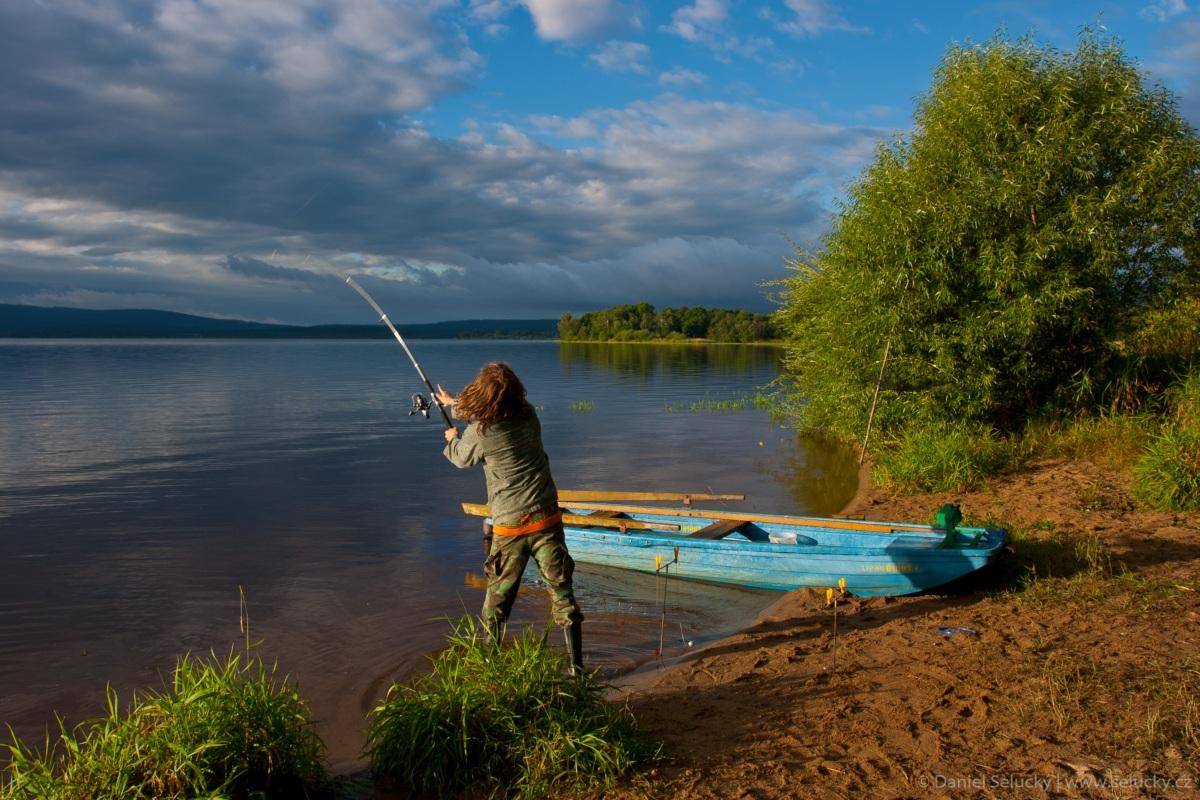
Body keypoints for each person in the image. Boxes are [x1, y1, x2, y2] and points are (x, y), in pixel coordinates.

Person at [434, 363, 584, 674]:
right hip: (546, 519)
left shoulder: (480, 433)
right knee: (562, 593)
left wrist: (451, 438)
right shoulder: (530, 415)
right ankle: (577, 668)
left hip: (510, 527)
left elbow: (462, 458)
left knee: (496, 606)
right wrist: (453, 402)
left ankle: (491, 669)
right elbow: (488, 405)